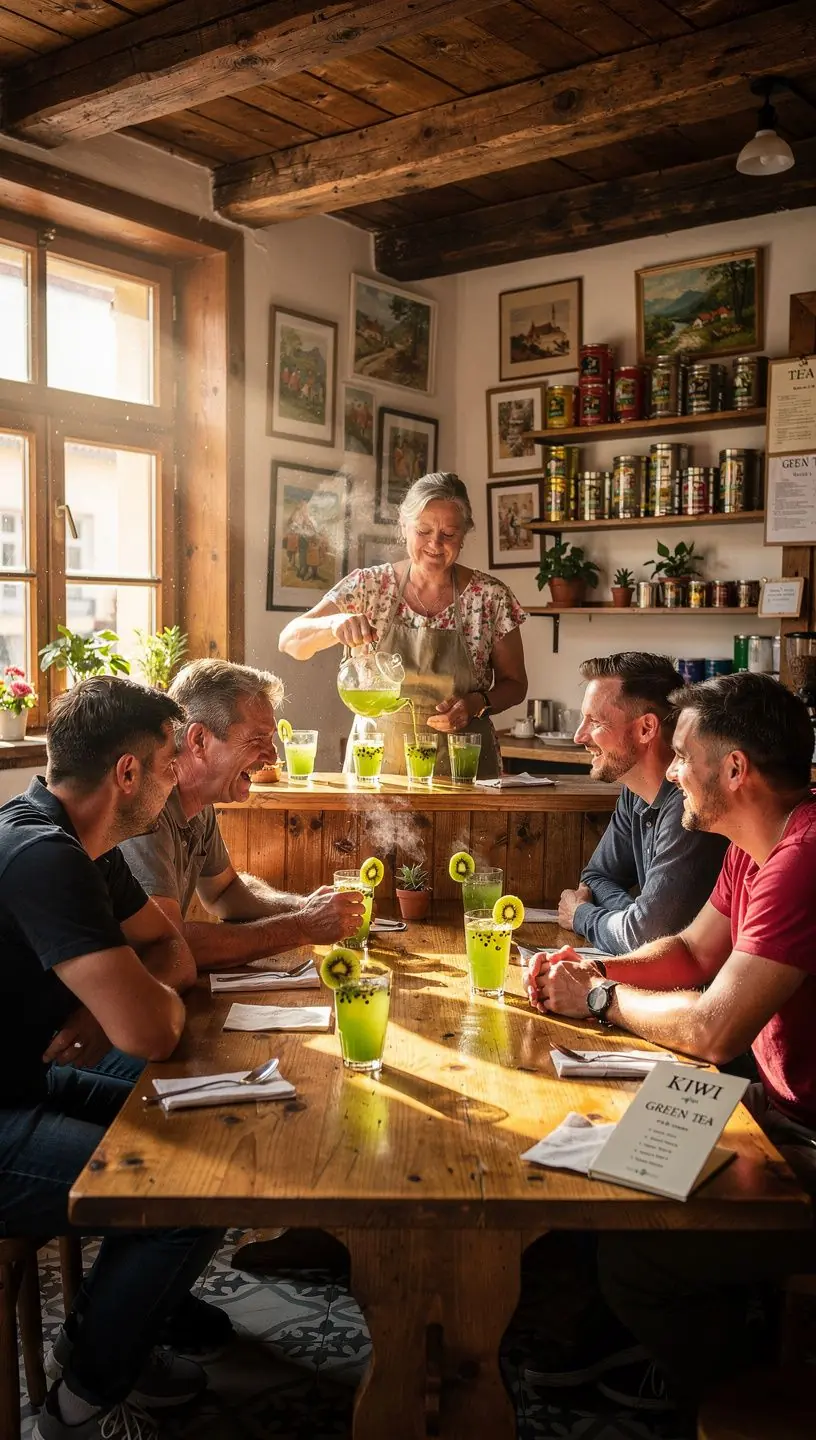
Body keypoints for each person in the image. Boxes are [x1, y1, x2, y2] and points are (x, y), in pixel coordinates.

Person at [526, 673, 816, 1414]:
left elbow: (714, 1031)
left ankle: (749, 1404)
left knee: (637, 1254)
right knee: (585, 1156)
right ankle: (635, 1348)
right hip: (774, 1111)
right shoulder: (759, 843)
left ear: (736, 770)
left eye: (684, 755)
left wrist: (598, 998)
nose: (675, 772)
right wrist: (591, 965)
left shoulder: (804, 859)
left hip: (807, 1140)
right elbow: (690, 951)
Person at [0, 677, 223, 1440]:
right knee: (189, 1193)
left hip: (24, 1079)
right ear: (127, 772)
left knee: (200, 1128)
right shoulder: (41, 854)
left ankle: (103, 1338)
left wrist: (114, 1005)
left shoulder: (87, 846)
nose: (179, 772)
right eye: (169, 758)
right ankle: (79, 1406)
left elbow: (173, 952)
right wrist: (115, 1008)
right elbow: (154, 1031)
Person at [120, 658, 364, 974]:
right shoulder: (148, 808)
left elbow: (225, 892)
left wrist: (304, 906)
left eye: (272, 739)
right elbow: (169, 944)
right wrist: (301, 926)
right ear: (198, 740)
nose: (274, 756)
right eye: (257, 739)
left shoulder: (199, 802)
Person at [278, 471, 528, 778]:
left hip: (463, 764)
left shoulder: (490, 597)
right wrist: (334, 624)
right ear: (403, 527)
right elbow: (290, 641)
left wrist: (476, 703)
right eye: (423, 530)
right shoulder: (368, 587)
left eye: (449, 534)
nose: (435, 543)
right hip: (377, 766)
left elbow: (515, 685)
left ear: (464, 534)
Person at [557, 653, 728, 954]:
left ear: (647, 728)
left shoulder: (690, 807)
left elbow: (646, 937)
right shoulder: (634, 791)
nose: (578, 736)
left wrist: (583, 915)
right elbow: (595, 877)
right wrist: (632, 916)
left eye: (594, 721)